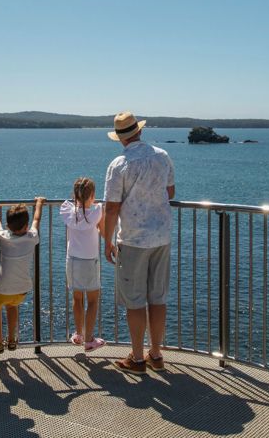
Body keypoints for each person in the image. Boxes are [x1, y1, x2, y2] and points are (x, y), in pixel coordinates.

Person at [104, 111, 175, 374]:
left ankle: (136, 359)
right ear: (140, 131)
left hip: (133, 240)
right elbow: (170, 191)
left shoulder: (118, 164)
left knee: (134, 301)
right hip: (161, 237)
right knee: (158, 298)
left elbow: (111, 208)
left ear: (120, 139)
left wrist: (107, 241)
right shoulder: (162, 156)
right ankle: (156, 355)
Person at [0, 197, 45, 353]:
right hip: (22, 289)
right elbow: (37, 219)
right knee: (12, 307)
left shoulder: (2, 238)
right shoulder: (31, 237)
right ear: (26, 226)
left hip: (2, 288)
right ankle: (12, 340)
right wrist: (39, 203)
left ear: (8, 226)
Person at [60, 177, 106, 352]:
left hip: (72, 260)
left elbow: (73, 208)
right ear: (92, 195)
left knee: (77, 299)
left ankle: (78, 334)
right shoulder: (97, 212)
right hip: (90, 261)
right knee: (93, 301)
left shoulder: (68, 211)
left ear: (75, 195)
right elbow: (102, 231)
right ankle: (89, 339)